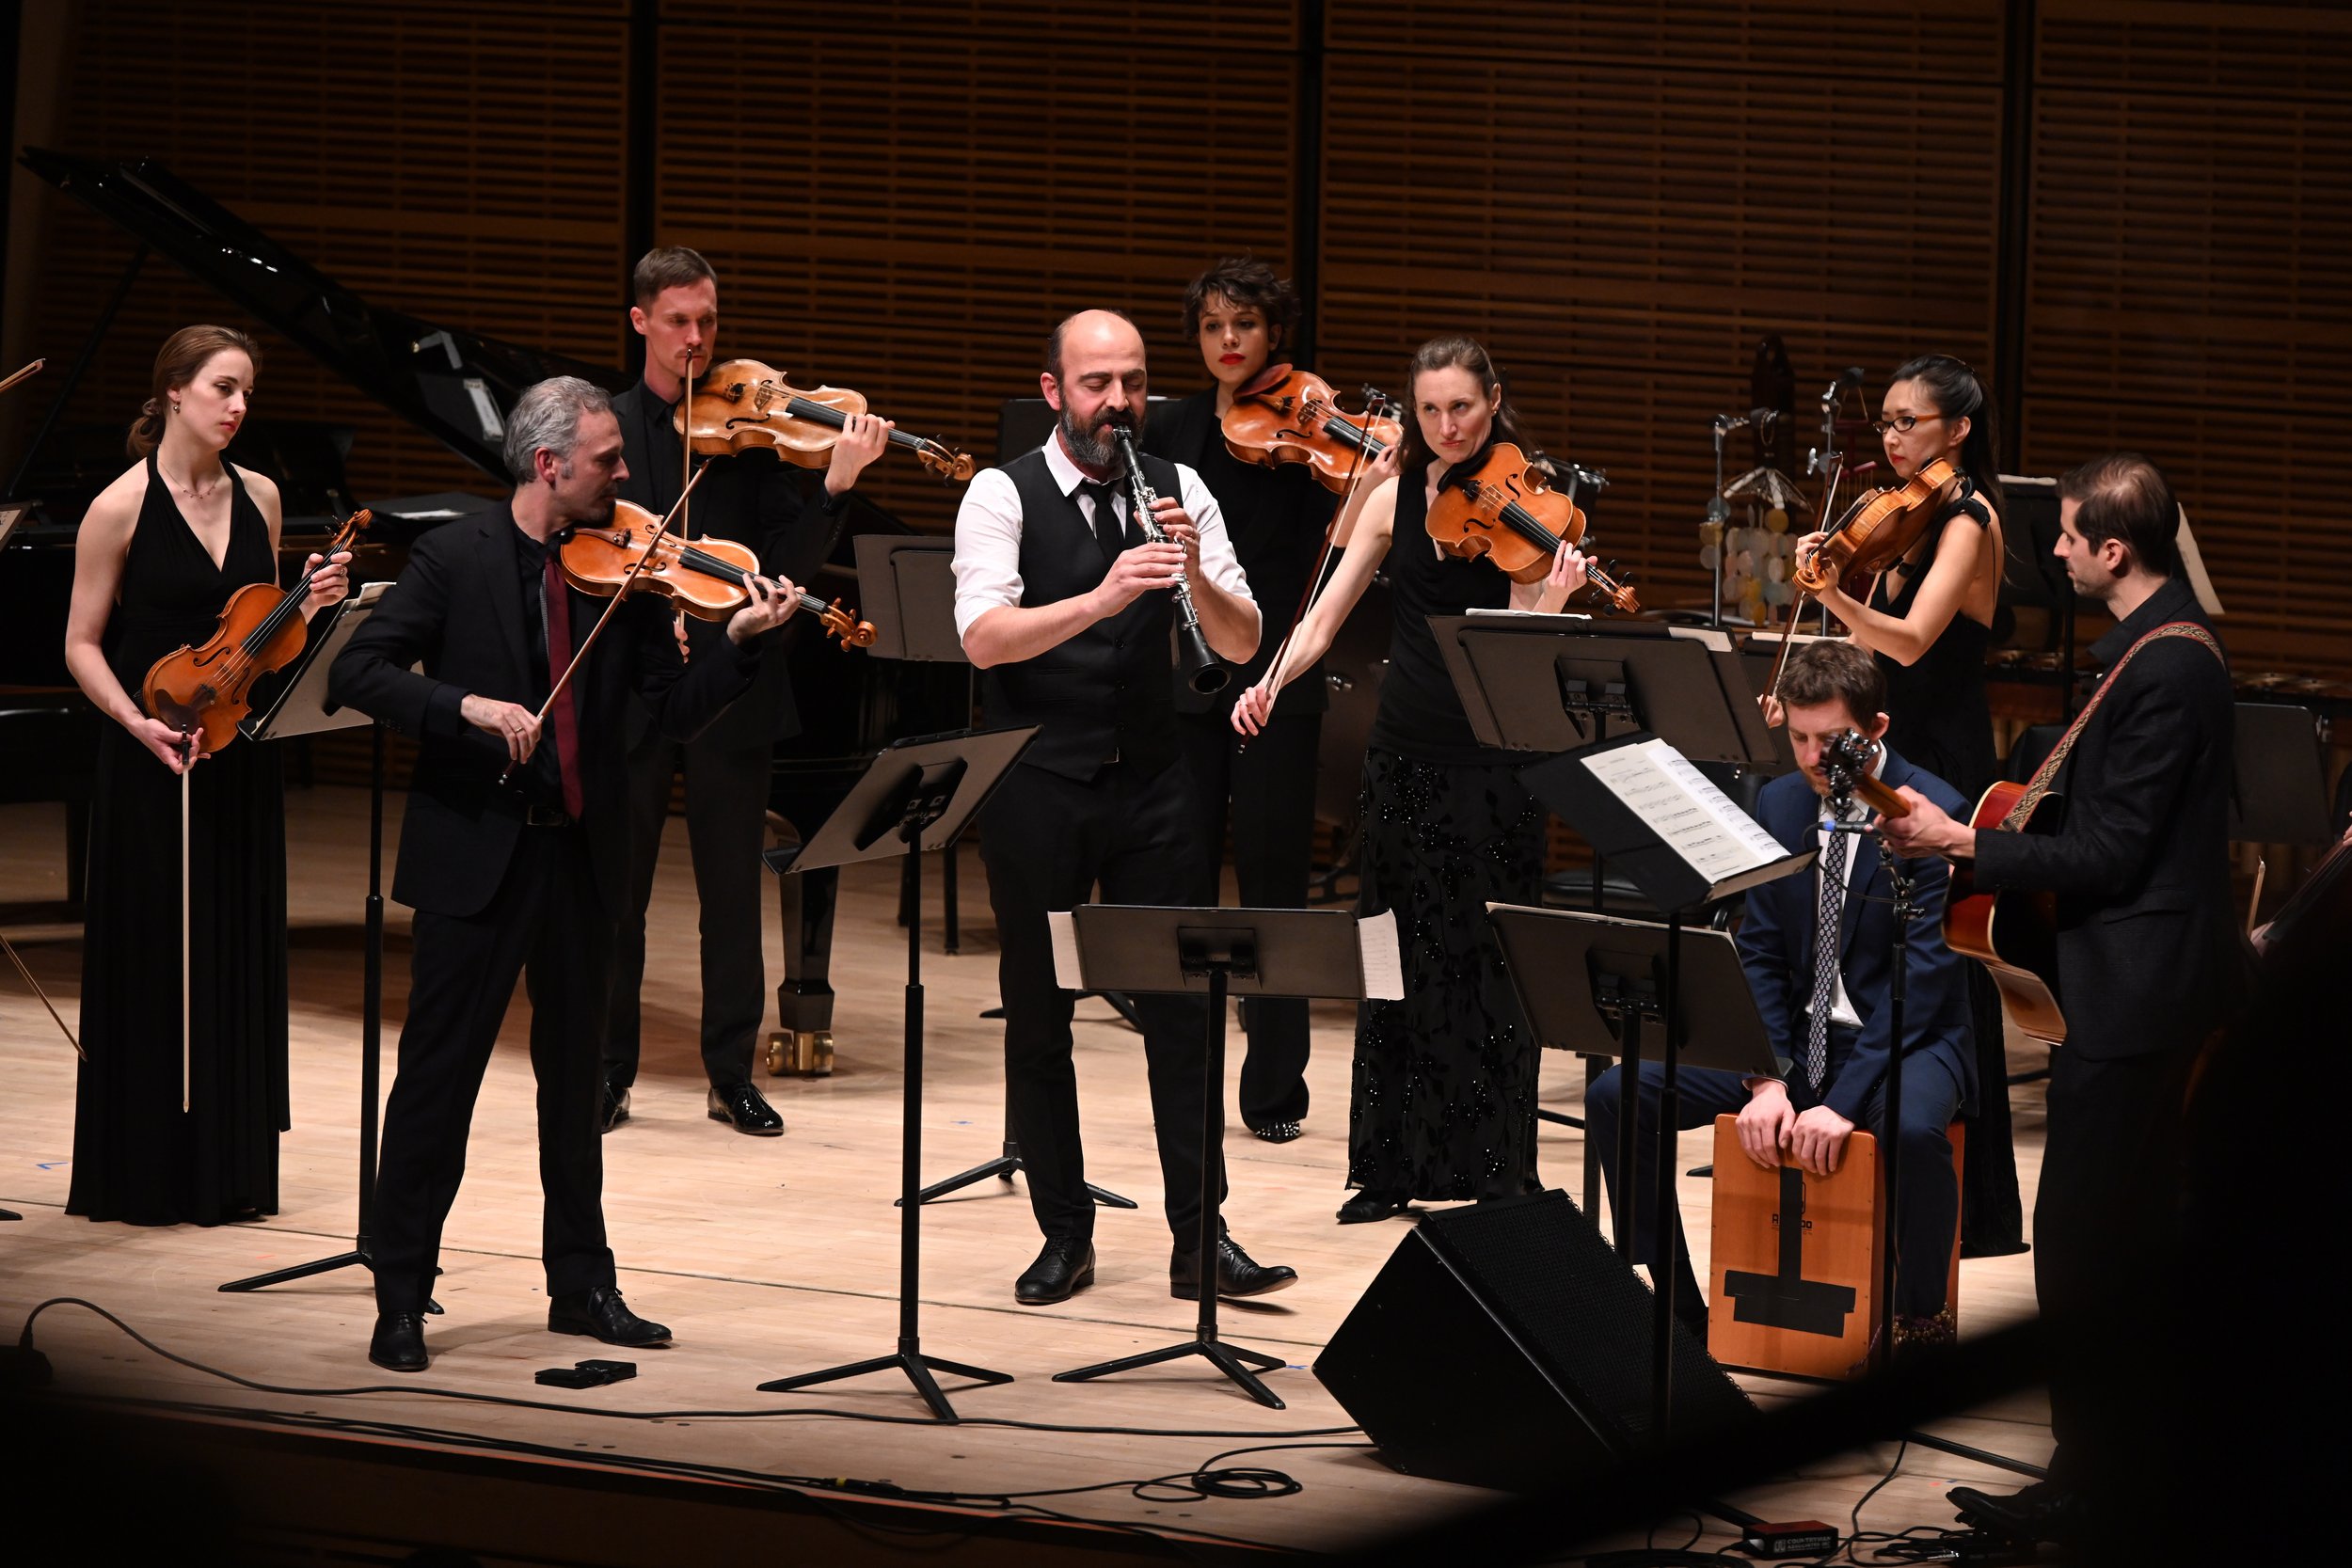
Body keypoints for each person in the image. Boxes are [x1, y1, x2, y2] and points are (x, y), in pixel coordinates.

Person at [328, 376, 799, 1372]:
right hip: (477, 859)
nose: (628, 476)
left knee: (575, 1082)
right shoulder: (455, 556)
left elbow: (670, 712)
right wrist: (465, 708)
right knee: (436, 1083)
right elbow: (358, 671)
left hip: (584, 857)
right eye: (609, 461)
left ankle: (582, 1283)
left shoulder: (621, 579)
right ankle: (401, 1292)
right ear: (549, 466)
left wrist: (742, 646)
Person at [1879, 452, 2240, 1547]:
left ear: (2113, 550)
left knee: (2088, 1241)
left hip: (2140, 993)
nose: (2056, 551)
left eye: (2071, 536)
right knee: (2091, 1240)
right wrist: (1988, 851)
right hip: (2120, 982)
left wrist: (1965, 839)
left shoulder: (2171, 667)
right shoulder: (2146, 650)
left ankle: (2097, 1484)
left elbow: (2118, 850)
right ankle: (2090, 1472)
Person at [955, 308, 1291, 1307]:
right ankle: (1065, 1230)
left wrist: (1187, 565)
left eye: (1135, 383)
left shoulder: (1180, 489)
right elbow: (982, 636)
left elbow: (1239, 641)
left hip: (1155, 784)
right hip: (1039, 785)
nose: (1119, 403)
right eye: (1097, 384)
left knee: (1185, 1008)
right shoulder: (998, 492)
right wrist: (1101, 599)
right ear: (1055, 392)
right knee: (1038, 1014)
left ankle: (1202, 1234)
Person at [1232, 335, 1590, 1224]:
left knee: (1490, 963)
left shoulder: (1535, 502)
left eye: (1462, 407)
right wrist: (1270, 682)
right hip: (1406, 753)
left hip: (1497, 760)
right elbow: (1325, 614)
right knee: (1394, 957)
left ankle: (1498, 1166)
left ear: (1494, 399)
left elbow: (1521, 649)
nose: (1446, 425)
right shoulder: (1389, 493)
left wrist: (1554, 599)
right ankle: (1387, 1165)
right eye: (1429, 410)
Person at [1585, 641, 1975, 1345]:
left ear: (1876, 729)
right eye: (1797, 737)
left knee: (1913, 1131)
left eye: (1831, 740)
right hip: (1794, 1040)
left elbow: (1921, 982)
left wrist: (1840, 1106)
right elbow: (1760, 949)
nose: (1812, 756)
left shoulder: (1935, 808)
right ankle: (1673, 1307)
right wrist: (1767, 1079)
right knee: (1617, 1093)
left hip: (1901, 1035)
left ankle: (1922, 1321)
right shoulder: (1780, 798)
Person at [62, 325, 350, 1226]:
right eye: (224, 388)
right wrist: (140, 723)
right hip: (150, 753)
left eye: (247, 393)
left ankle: (228, 1171)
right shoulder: (117, 507)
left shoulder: (259, 496)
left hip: (232, 756)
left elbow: (256, 642)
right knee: (155, 956)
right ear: (175, 392)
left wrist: (311, 601)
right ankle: (142, 1173)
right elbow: (79, 644)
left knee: (230, 944)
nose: (238, 406)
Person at [601, 246, 890, 1137]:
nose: (698, 339)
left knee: (733, 895)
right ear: (641, 321)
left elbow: (793, 569)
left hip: (732, 688)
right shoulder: (602, 428)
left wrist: (835, 484)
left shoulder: (752, 442)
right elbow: (579, 556)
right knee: (619, 893)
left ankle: (731, 1072)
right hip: (634, 692)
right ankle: (607, 1073)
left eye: (710, 322)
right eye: (680, 321)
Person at [1788, 354, 2026, 1259]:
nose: (1890, 438)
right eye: (1884, 422)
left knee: (1947, 970)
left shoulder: (1968, 517)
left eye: (1908, 422)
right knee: (1873, 948)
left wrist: (1836, 595)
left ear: (1958, 430)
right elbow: (1869, 658)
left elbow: (1916, 643)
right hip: (1887, 745)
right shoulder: (1903, 518)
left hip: (1945, 761)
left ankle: (1969, 1207)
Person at [1143, 260, 1337, 1144]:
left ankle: (1274, 1090)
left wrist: (1346, 439)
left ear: (1274, 335)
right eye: (1214, 325)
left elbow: (1333, 553)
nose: (1228, 340)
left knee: (1271, 889)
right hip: (1183, 682)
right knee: (1178, 880)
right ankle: (1182, 1081)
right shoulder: (1171, 426)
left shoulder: (1309, 432)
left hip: (1276, 687)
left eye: (1245, 325)